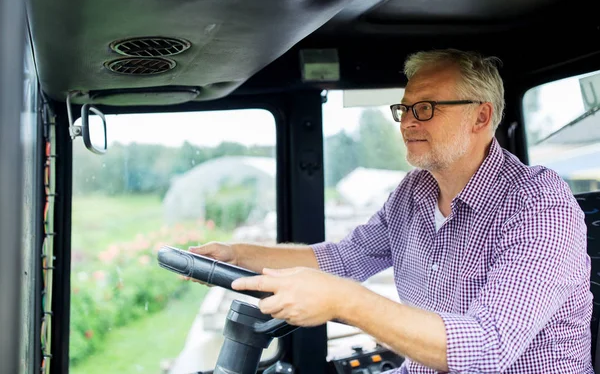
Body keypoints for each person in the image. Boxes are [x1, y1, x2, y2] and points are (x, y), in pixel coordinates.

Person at [188, 48, 593, 373]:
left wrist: (347, 302)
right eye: (404, 109)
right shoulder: (412, 193)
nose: (407, 123)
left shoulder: (538, 204)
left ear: (481, 116)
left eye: (426, 108)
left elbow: (487, 348)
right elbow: (341, 260)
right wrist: (237, 254)